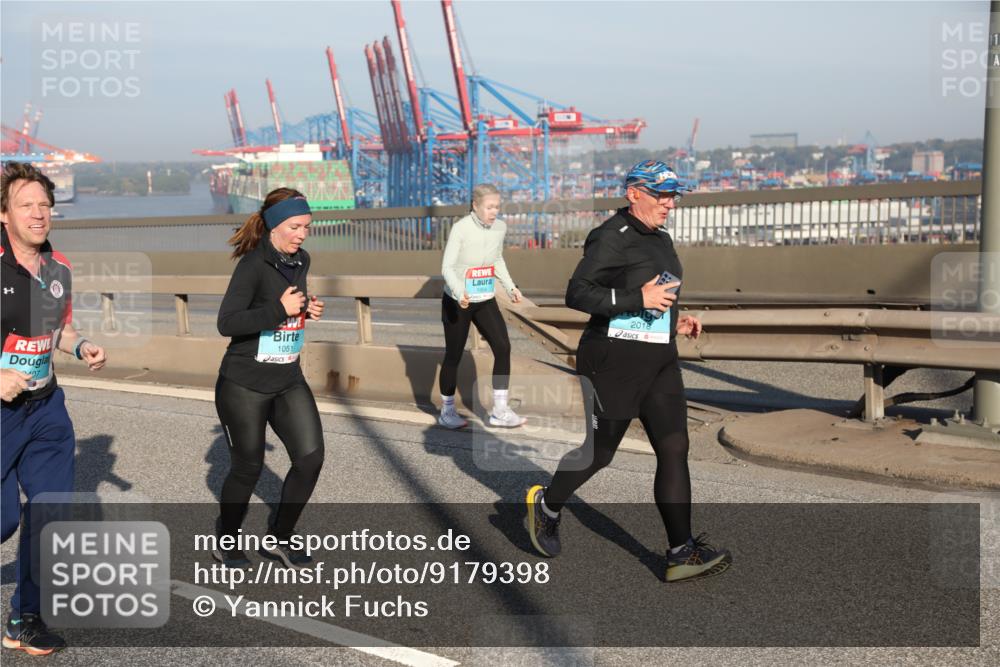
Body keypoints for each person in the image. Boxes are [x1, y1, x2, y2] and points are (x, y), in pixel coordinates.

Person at [525, 160, 731, 583]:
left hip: (658, 360)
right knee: (600, 453)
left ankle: (680, 552)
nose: (669, 203)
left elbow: (657, 295)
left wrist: (675, 319)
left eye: (673, 195)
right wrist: (638, 296)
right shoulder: (611, 236)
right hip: (612, 361)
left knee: (674, 447)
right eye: (661, 195)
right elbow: (578, 293)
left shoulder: (661, 239)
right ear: (634, 193)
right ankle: (546, 506)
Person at [1, 161, 107, 655]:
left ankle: (25, 618)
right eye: (27, 204)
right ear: (4, 214)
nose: (39, 213)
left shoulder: (58, 268)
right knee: (4, 521)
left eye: (45, 204)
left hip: (45, 407)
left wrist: (80, 343)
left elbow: (54, 330)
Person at [214, 188, 326, 569]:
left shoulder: (301, 260)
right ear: (275, 226)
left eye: (307, 227)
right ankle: (226, 540)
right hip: (244, 383)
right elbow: (226, 323)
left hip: (288, 378)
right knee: (248, 468)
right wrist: (279, 310)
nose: (302, 235)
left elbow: (289, 304)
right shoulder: (252, 265)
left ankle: (279, 537)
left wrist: (304, 308)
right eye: (295, 227)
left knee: (310, 459)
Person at [438, 183, 526, 429]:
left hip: (485, 297)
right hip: (459, 301)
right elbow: (446, 267)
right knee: (453, 355)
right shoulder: (461, 229)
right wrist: (459, 292)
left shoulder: (500, 227)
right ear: (475, 206)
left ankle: (499, 410)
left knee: (503, 347)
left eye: (497, 206)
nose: (494, 211)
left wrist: (510, 287)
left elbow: (497, 258)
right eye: (489, 207)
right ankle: (447, 411)